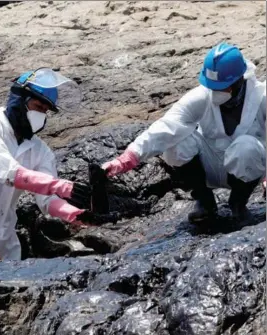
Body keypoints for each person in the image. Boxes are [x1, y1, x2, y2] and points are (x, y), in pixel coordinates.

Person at [0, 68, 100, 261]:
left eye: (45, 110)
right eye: (37, 106)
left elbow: (47, 201)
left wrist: (76, 214)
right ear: (19, 100)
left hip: (3, 242)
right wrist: (61, 186)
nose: (41, 114)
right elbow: (9, 173)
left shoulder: (40, 151)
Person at [101, 42, 266, 223]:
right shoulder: (202, 96)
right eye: (212, 87)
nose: (215, 92)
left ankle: (238, 205)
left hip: (248, 169)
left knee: (247, 146)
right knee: (176, 143)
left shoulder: (261, 97)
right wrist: (127, 159)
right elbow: (166, 127)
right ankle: (204, 201)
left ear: (238, 81)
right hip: (210, 165)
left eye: (221, 87)